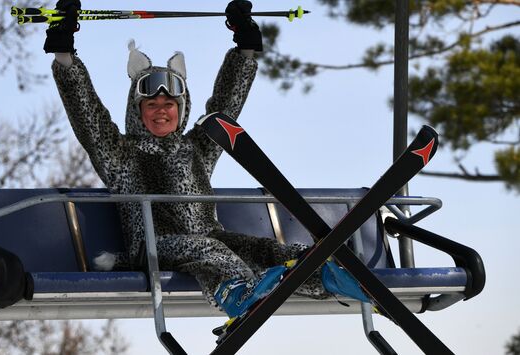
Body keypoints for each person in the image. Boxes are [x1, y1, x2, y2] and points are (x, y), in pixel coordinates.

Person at [44, 0, 369, 322]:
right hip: (154, 248)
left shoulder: (194, 149)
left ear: (181, 109)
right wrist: (65, 55)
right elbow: (89, 118)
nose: (161, 110)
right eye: (151, 104)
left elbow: (225, 110)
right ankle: (236, 292)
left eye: (169, 103)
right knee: (210, 252)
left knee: (269, 251)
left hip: (213, 238)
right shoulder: (119, 154)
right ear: (137, 110)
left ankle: (327, 277)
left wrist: (244, 51)